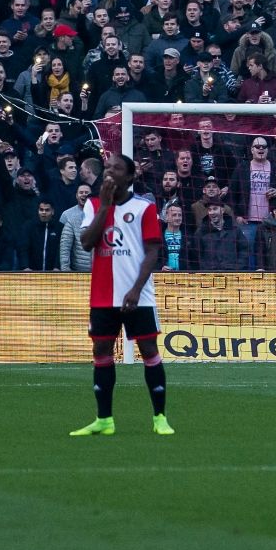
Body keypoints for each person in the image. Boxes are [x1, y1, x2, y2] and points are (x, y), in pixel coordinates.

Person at [69, 154, 172, 437]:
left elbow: (153, 251)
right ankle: (104, 420)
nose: (109, 173)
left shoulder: (144, 208)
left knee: (149, 350)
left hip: (138, 295)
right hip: (103, 295)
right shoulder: (92, 204)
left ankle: (160, 417)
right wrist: (104, 207)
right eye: (107, 169)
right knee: (101, 352)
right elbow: (87, 243)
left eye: (116, 169)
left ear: (130, 176)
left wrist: (137, 289)